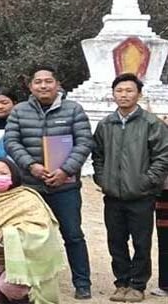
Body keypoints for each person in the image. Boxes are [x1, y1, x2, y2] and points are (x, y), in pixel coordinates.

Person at [4, 65, 94, 300]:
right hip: (31, 186)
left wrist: (66, 170)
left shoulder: (73, 110)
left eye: (48, 81)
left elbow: (84, 142)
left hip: (65, 185)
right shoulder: (19, 111)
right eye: (38, 82)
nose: (43, 86)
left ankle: (82, 282)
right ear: (30, 86)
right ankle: (31, 282)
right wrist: (31, 165)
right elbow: (11, 142)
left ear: (57, 84)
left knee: (73, 234)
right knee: (31, 236)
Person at [92, 73, 168, 302]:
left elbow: (163, 156)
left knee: (141, 242)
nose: (124, 95)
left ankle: (138, 285)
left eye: (129, 90)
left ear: (139, 94)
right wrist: (103, 179)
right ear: (113, 94)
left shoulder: (151, 123)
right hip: (113, 194)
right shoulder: (106, 124)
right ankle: (121, 282)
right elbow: (98, 155)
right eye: (119, 91)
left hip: (141, 195)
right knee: (115, 241)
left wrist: (147, 181)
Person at [0, 158, 65, 304]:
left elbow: (41, 229)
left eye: (3, 173)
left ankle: (26, 299)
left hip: (24, 261)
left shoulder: (27, 198)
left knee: (11, 287)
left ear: (13, 175)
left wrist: (9, 233)